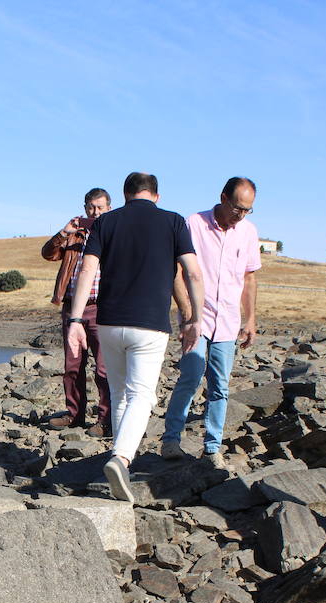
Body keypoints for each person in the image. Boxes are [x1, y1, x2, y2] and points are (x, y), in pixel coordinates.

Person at [68, 172, 204, 502]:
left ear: (125, 194)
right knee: (142, 395)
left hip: (109, 321)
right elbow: (193, 272)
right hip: (150, 324)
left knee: (119, 394)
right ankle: (122, 458)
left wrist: (75, 319)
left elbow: (87, 269)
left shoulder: (106, 222)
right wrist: (195, 318)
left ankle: (119, 464)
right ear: (156, 196)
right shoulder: (173, 222)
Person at [161, 177, 261, 469]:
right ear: (223, 198)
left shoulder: (248, 232)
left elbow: (249, 278)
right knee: (190, 376)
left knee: (221, 385)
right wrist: (188, 314)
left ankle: (212, 448)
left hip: (228, 321)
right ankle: (171, 440)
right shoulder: (194, 224)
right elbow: (177, 271)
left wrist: (250, 319)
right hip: (197, 318)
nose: (241, 215)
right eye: (238, 208)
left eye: (247, 210)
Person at [41, 188, 113, 431]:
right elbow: (48, 254)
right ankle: (74, 415)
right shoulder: (75, 236)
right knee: (73, 365)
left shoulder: (113, 234)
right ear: (84, 209)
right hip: (72, 308)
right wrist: (64, 233)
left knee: (103, 368)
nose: (95, 212)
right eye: (91, 207)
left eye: (100, 207)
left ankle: (105, 420)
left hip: (102, 307)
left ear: (109, 208)